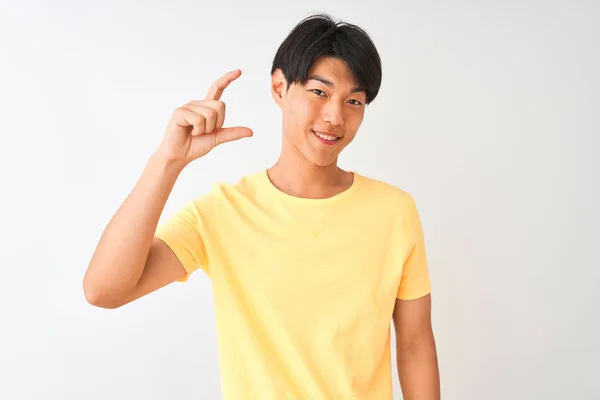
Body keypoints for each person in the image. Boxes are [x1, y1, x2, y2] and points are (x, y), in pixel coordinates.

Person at [83, 13, 440, 400]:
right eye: (319, 92)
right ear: (279, 87)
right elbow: (104, 290)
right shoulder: (223, 212)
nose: (336, 116)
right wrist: (168, 161)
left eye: (353, 101)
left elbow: (416, 345)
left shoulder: (394, 211)